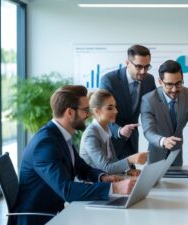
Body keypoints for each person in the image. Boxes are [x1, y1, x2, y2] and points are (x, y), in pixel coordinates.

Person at [14, 85, 137, 225]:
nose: (89, 115)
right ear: (70, 113)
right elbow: (67, 190)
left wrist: (103, 177)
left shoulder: (61, 135)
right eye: (85, 110)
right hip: (40, 219)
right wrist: (114, 188)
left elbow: (82, 168)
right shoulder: (45, 144)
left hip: (57, 213)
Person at [141, 60, 188, 166]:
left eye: (179, 83)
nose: (174, 90)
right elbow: (148, 131)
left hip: (177, 156)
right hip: (156, 156)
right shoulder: (148, 100)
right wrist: (163, 141)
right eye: (169, 84)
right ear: (160, 82)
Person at [100, 44, 156, 161]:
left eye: (147, 67)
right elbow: (103, 113)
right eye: (139, 66)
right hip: (111, 139)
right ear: (127, 62)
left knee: (131, 175)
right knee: (113, 176)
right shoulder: (109, 80)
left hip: (132, 140)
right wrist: (119, 130)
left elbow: (153, 108)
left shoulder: (149, 80)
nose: (143, 71)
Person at [80, 89, 148, 175]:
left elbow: (113, 161)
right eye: (109, 108)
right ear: (96, 111)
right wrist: (131, 159)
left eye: (115, 106)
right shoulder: (90, 136)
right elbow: (106, 168)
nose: (116, 111)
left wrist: (127, 171)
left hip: (106, 181)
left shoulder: (106, 129)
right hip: (92, 185)